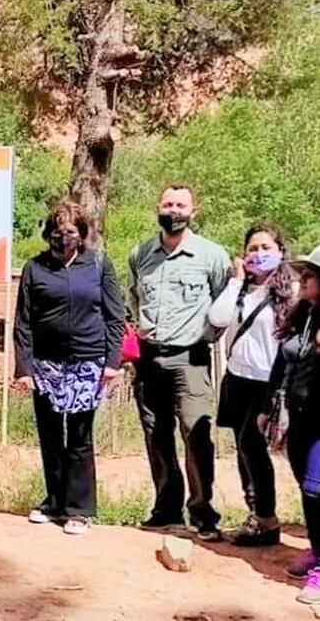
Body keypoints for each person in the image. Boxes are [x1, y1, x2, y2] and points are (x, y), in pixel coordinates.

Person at [13, 200, 124, 536]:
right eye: (58, 232)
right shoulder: (35, 268)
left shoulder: (99, 264)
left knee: (79, 437)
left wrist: (112, 362)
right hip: (46, 366)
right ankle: (54, 502)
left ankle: (79, 509)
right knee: (49, 434)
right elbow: (24, 321)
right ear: (49, 233)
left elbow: (114, 316)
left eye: (71, 232)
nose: (64, 237)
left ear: (82, 234)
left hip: (88, 364)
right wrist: (23, 368)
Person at [129, 183, 231, 541]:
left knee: (197, 435)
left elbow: (224, 302)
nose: (174, 211)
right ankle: (165, 510)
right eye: (168, 204)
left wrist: (208, 338)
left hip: (191, 359)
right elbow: (133, 295)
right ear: (158, 207)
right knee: (156, 434)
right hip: (149, 359)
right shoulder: (141, 252)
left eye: (181, 206)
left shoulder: (211, 256)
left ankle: (203, 514)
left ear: (193, 211)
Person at [208, 223, 296, 546]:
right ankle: (257, 516)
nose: (258, 255)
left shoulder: (292, 291)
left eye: (266, 248)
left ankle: (267, 519)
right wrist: (235, 281)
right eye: (252, 249)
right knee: (244, 449)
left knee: (253, 446)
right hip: (237, 378)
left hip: (267, 383)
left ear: (280, 252)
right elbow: (217, 318)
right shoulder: (241, 289)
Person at [271, 246, 320, 602]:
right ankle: (317, 551)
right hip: (302, 415)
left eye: (311, 275)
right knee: (307, 486)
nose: (302, 280)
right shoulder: (306, 314)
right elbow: (287, 362)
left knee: (319, 488)